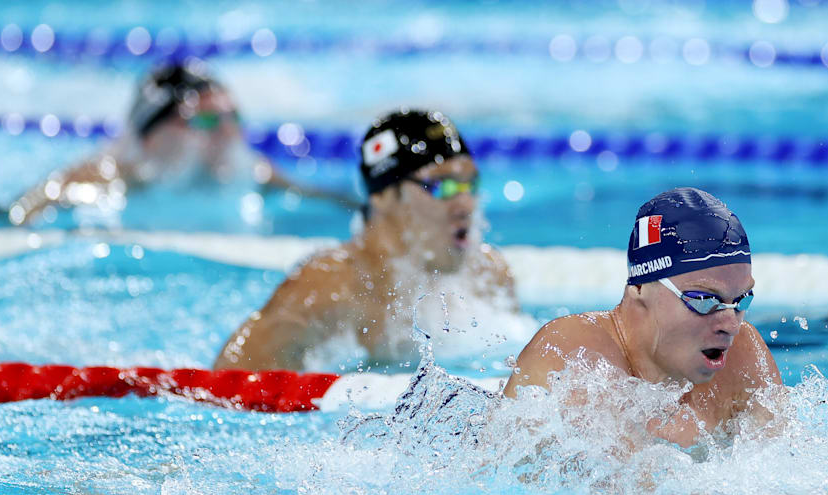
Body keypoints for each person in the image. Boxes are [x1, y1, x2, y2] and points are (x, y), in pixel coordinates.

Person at [214, 109, 518, 372]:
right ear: (383, 195)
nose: (465, 203)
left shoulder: (488, 276)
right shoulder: (330, 287)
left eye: (470, 184)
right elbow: (229, 382)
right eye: (441, 186)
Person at [503, 187, 779, 449]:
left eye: (742, 300)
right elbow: (627, 492)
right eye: (704, 301)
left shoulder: (743, 356)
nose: (731, 325)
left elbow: (786, 470)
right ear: (639, 287)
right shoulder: (575, 354)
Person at [7, 59, 356, 226]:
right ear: (151, 136)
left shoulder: (252, 172)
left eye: (232, 118)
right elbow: (18, 218)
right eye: (203, 120)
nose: (225, 133)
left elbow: (337, 205)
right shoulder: (112, 175)